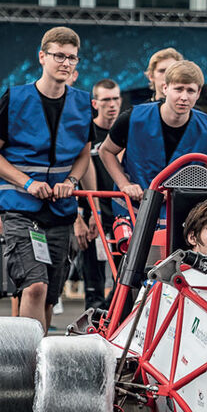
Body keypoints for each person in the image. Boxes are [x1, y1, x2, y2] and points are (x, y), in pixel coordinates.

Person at [0, 26, 92, 333]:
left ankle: (37, 362)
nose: (65, 63)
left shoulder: (82, 103)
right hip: (20, 209)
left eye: (71, 58)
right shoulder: (16, 98)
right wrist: (27, 183)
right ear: (42, 57)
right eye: (58, 56)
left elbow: (84, 153)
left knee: (49, 296)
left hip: (60, 212)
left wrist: (72, 179)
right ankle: (28, 366)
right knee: (35, 286)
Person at [100, 60, 207, 228]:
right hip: (133, 212)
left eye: (190, 90)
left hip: (180, 217)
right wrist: (124, 184)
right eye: (178, 89)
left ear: (198, 93)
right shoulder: (134, 118)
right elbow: (106, 151)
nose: (184, 97)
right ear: (165, 88)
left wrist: (182, 191)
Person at [79, 78, 122, 310]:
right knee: (93, 278)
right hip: (92, 215)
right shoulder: (87, 131)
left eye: (116, 98)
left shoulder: (126, 129)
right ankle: (93, 323)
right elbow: (74, 172)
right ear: (95, 103)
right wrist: (79, 216)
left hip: (121, 213)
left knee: (124, 276)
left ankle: (114, 321)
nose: (112, 104)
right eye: (106, 100)